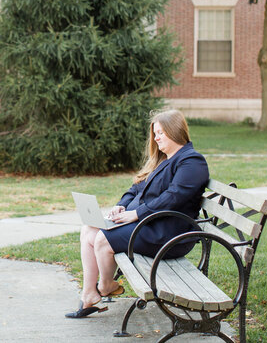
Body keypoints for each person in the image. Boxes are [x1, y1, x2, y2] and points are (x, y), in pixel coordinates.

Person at [65, 109, 209, 318]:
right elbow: (136, 189)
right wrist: (121, 205)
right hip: (151, 225)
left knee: (103, 240)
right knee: (88, 230)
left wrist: (137, 214)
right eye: (155, 133)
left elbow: (174, 196)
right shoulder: (163, 160)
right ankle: (89, 295)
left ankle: (105, 287)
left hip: (169, 234)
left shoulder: (191, 161)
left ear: (175, 131)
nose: (156, 138)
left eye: (160, 133)